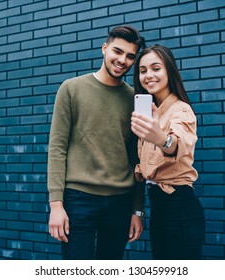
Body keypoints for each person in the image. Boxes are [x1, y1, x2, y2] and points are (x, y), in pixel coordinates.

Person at [47, 25, 146, 260]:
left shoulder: (135, 99)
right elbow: (57, 148)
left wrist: (138, 210)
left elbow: (138, 158)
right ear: (104, 48)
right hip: (79, 199)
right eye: (117, 51)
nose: (122, 60)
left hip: (121, 202)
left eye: (130, 56)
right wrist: (56, 204)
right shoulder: (71, 89)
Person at [131, 44, 205, 260]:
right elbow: (143, 166)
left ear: (169, 70)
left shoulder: (181, 110)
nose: (149, 75)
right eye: (143, 70)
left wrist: (162, 139)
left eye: (156, 68)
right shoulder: (151, 112)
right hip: (159, 207)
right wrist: (138, 212)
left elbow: (178, 143)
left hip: (179, 205)